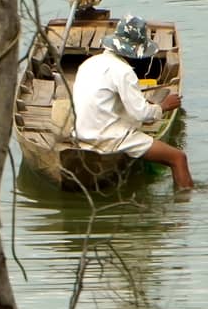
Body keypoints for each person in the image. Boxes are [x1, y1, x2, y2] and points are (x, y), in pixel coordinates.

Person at [70, 13, 193, 189]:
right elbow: (142, 114)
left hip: (81, 134)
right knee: (178, 158)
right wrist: (163, 107)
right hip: (109, 139)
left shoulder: (89, 63)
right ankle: (184, 205)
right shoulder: (124, 72)